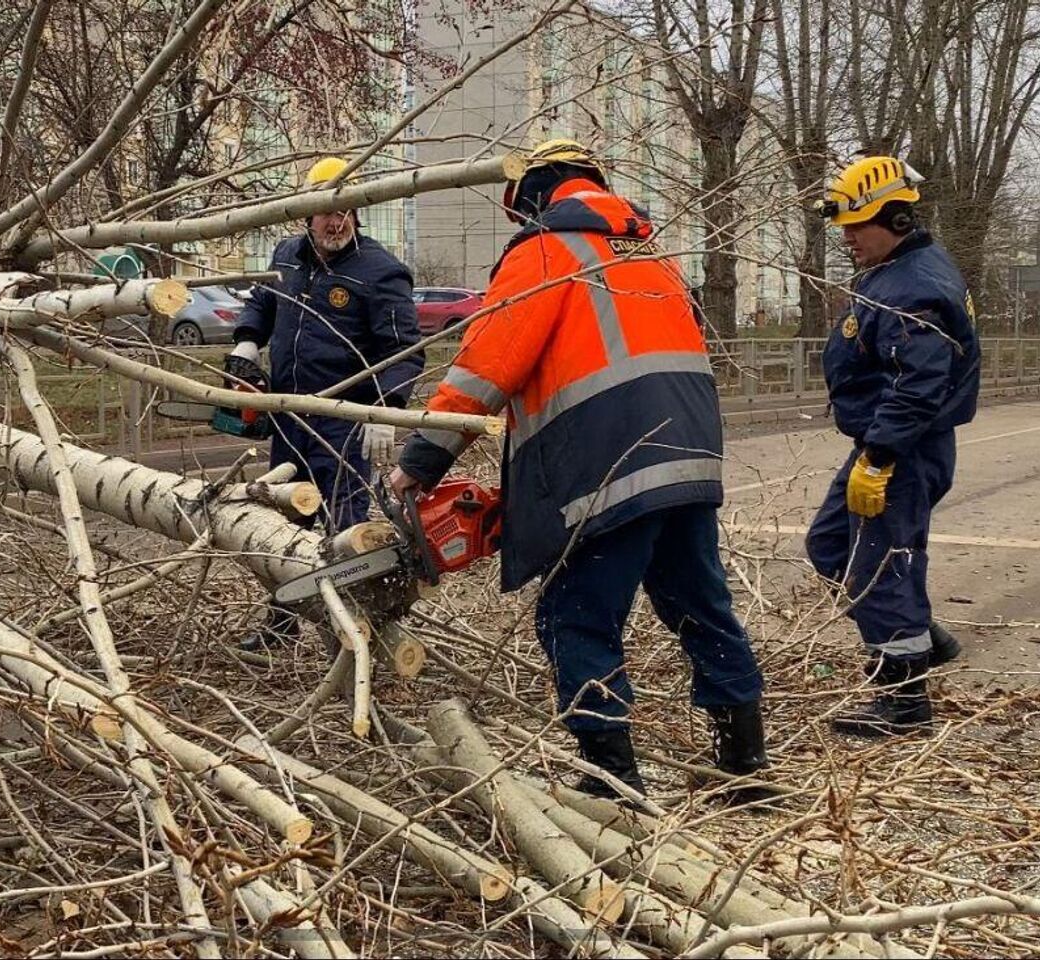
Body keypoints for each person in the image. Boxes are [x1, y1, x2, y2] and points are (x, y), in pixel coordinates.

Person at [389, 139, 767, 800]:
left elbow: (485, 369)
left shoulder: (545, 252)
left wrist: (420, 461)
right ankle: (745, 758)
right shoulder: (651, 254)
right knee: (699, 605)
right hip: (690, 455)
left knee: (574, 616)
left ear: (537, 193)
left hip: (611, 461)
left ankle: (611, 782)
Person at [808, 156, 981, 737]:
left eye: (858, 226)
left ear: (898, 219)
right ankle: (922, 641)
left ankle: (904, 699)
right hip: (886, 443)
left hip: (901, 449)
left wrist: (879, 458)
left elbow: (919, 384)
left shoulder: (915, 288)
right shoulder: (900, 269)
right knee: (831, 543)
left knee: (879, 564)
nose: (848, 238)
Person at [231, 155, 424, 651]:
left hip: (344, 422)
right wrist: (247, 341)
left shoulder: (380, 271)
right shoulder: (287, 256)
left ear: (357, 213)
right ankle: (280, 624)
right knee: (285, 522)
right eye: (325, 212)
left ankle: (348, 634)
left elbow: (403, 352)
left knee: (343, 525)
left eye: (344, 212)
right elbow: (262, 301)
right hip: (291, 413)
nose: (335, 222)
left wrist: (382, 409)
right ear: (308, 214)